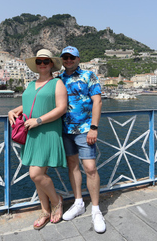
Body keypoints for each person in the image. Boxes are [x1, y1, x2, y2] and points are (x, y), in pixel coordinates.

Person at [8, 49, 68, 230]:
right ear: (36, 65)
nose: (42, 64)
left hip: (47, 131)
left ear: (51, 64)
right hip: (31, 133)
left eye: (46, 61)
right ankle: (45, 211)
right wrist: (14, 110)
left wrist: (39, 120)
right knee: (37, 176)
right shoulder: (31, 84)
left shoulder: (57, 83)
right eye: (39, 61)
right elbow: (30, 102)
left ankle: (57, 201)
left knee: (35, 174)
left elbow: (61, 108)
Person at [59, 46, 106, 233]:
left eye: (72, 57)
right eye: (65, 57)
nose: (68, 60)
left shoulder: (89, 75)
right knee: (73, 166)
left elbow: (97, 101)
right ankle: (78, 203)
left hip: (85, 130)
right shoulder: (58, 79)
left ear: (78, 58)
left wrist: (94, 127)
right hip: (65, 130)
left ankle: (96, 210)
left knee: (90, 168)